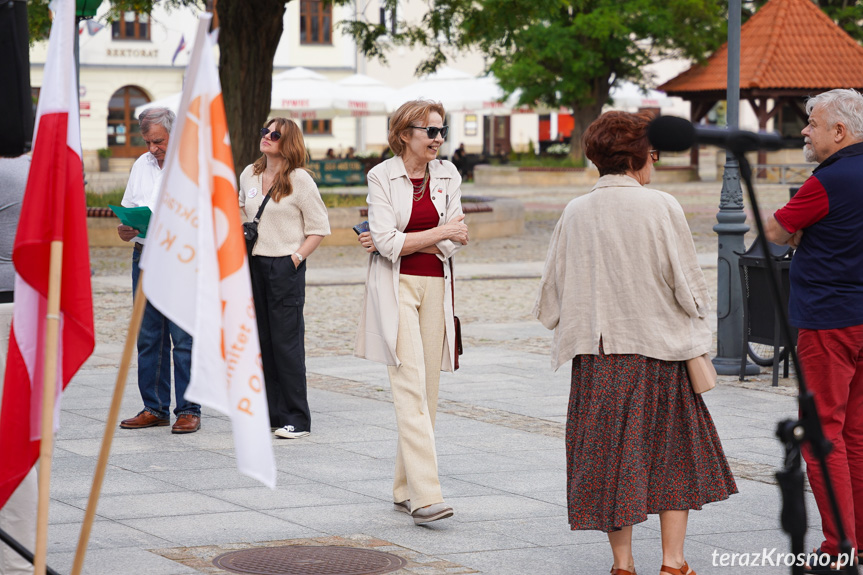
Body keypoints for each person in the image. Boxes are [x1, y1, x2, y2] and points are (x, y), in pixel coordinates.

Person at [534, 111, 737, 575]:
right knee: (673, 457)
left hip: (599, 356)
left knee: (609, 459)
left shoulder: (575, 210)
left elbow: (550, 296)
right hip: (659, 354)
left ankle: (622, 564)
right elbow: (689, 287)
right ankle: (673, 562)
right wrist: (699, 320)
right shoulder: (660, 205)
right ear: (641, 156)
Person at [355, 99, 468, 525]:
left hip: (437, 285)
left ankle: (403, 487)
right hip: (395, 284)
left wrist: (414, 236)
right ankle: (425, 496)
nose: (439, 139)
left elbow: (457, 240)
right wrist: (439, 232)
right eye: (431, 131)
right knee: (409, 384)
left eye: (443, 130)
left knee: (430, 389)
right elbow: (387, 244)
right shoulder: (381, 175)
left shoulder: (448, 173)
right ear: (406, 135)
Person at [766, 88, 863, 568]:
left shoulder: (827, 181)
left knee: (824, 434)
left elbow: (775, 231)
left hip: (830, 321)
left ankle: (837, 548)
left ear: (839, 132)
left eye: (812, 123)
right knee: (859, 434)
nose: (804, 131)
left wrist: (799, 230)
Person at [240, 118, 330, 439]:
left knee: (286, 343)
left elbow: (319, 227)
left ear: (288, 141)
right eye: (264, 130)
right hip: (253, 265)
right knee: (262, 341)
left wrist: (295, 258)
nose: (266, 136)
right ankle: (272, 412)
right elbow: (241, 210)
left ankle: (297, 417)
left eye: (274, 134)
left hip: (284, 266)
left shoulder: (300, 180)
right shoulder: (249, 174)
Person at [117, 108, 201, 434]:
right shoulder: (142, 164)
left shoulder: (191, 166)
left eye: (158, 141)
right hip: (144, 254)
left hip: (180, 257)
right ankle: (154, 407)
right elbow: (130, 209)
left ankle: (188, 409)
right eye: (148, 141)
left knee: (182, 336)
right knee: (149, 336)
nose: (153, 148)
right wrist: (126, 229)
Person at [0, 152, 36, 574]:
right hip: (26, 306)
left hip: (6, 307)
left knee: (13, 440)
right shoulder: (31, 162)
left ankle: (14, 561)